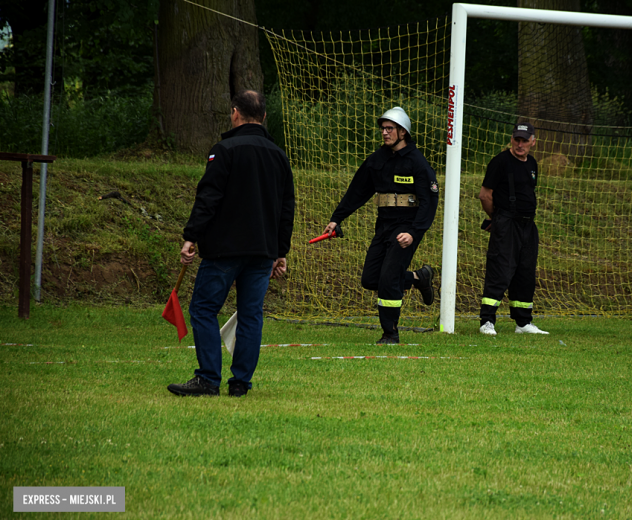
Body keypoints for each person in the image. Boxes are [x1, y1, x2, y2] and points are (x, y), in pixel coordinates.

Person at [167, 90, 296, 397]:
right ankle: (240, 383)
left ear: (235, 113)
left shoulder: (223, 150)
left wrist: (191, 236)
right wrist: (281, 252)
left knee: (203, 308)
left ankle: (208, 378)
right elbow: (286, 207)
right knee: (251, 314)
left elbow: (209, 197)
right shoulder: (279, 156)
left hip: (225, 250)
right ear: (263, 117)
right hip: (263, 250)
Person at [322, 107, 438, 344]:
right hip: (383, 226)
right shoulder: (376, 160)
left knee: (388, 278)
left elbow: (429, 201)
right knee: (370, 279)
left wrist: (414, 233)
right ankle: (418, 278)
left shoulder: (417, 162)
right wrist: (337, 218)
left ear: (403, 132)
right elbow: (357, 192)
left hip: (406, 228)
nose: (385, 133)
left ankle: (390, 333)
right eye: (383, 129)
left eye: (390, 129)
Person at [478, 123, 548, 336]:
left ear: (533, 142)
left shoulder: (533, 163)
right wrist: (497, 219)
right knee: (500, 269)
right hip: (506, 223)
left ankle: (523, 322)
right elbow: (485, 195)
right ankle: (487, 321)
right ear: (511, 140)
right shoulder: (500, 162)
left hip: (528, 226)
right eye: (517, 139)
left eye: (524, 140)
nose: (520, 144)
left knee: (525, 272)